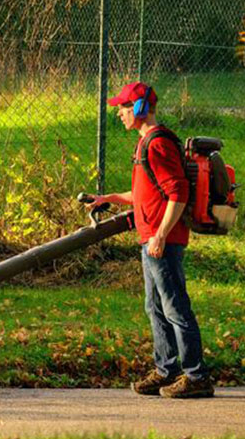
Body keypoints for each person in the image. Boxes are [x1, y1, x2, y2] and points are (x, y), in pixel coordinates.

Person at [84, 81, 213, 399]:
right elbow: (147, 192)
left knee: (175, 308)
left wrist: (160, 234)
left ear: (140, 108)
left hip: (162, 241)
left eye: (124, 108)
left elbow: (178, 192)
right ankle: (166, 370)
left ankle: (196, 375)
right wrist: (109, 197)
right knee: (155, 307)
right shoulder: (146, 144)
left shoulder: (157, 144)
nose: (119, 114)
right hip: (153, 238)